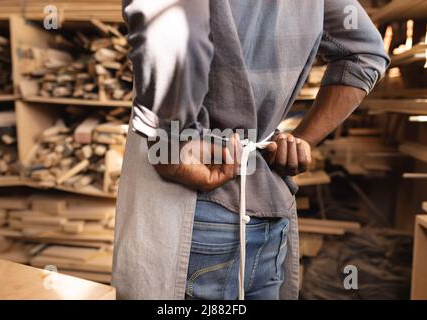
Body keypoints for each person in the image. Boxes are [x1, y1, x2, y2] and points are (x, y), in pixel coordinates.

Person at [112, 0, 389, 300]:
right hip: (267, 211)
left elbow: (164, 19)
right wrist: (304, 139)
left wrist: (169, 143)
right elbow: (366, 52)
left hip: (192, 210)